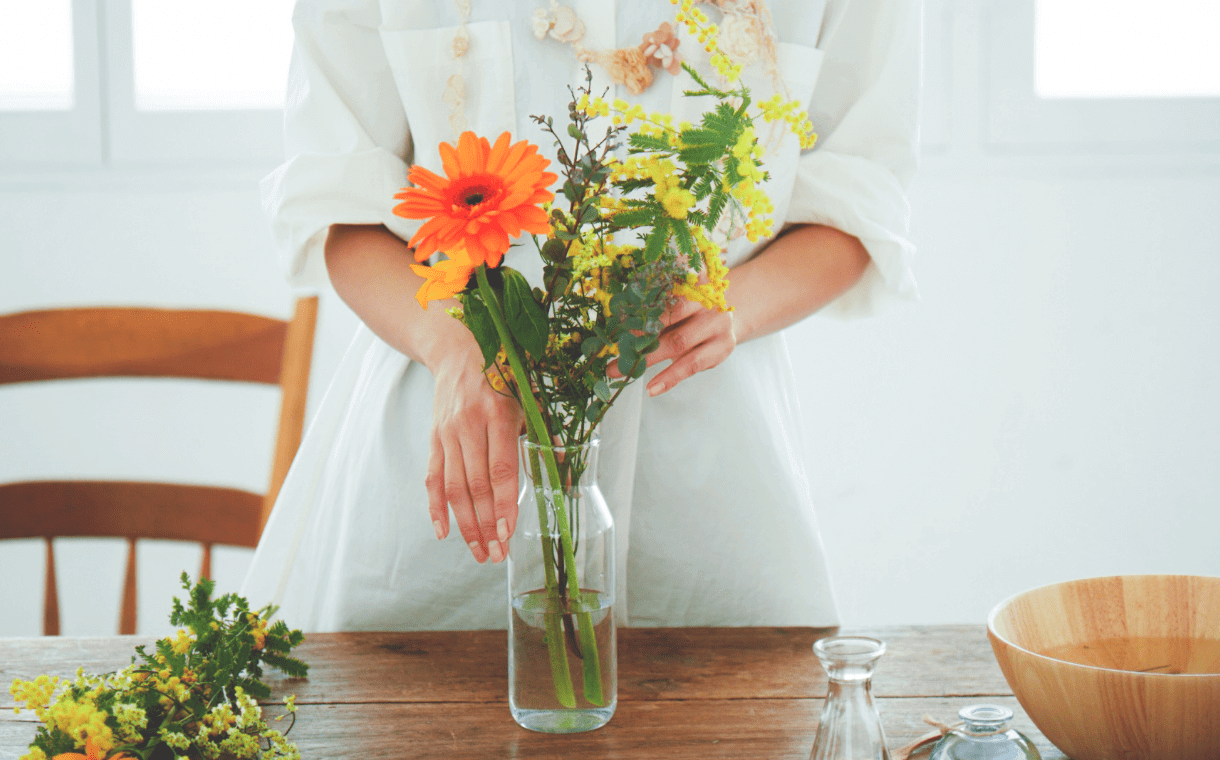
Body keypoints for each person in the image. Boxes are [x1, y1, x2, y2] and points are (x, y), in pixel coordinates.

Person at [241, 0, 920, 630]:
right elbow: (343, 213)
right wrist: (456, 348)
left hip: (715, 470)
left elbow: (858, 202)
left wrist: (730, 306)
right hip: (453, 472)